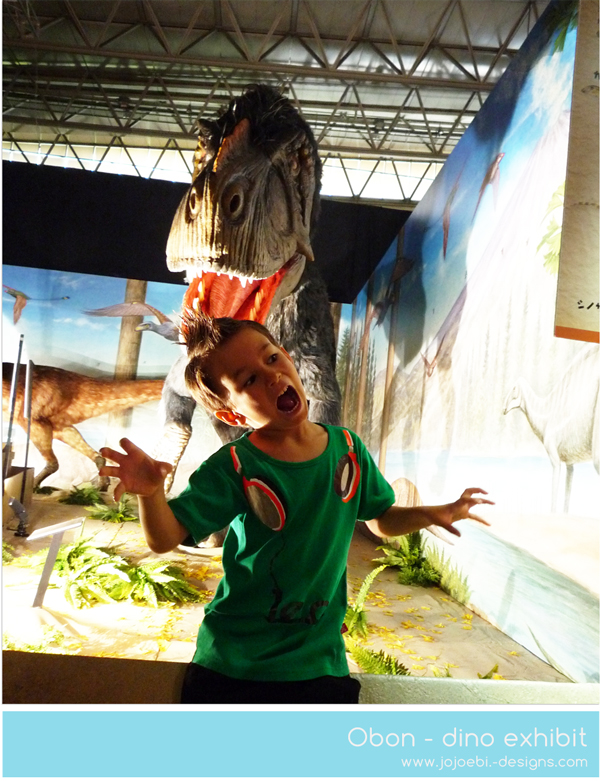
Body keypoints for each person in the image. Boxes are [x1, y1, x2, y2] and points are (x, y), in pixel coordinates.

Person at [99, 310, 493, 704]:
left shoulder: (348, 449)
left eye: (271, 358)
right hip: (232, 663)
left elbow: (381, 520)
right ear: (231, 413)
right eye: (248, 380)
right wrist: (150, 493)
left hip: (317, 663)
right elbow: (165, 538)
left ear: (287, 356)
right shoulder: (234, 466)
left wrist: (433, 513)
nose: (271, 376)